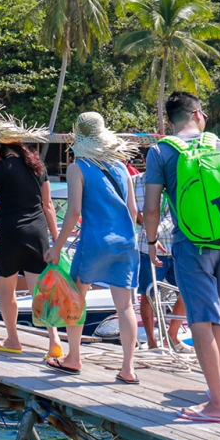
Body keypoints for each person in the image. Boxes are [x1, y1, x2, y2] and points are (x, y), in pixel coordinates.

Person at [143, 91, 220, 423]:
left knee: (200, 318)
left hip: (191, 242)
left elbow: (153, 206)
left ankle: (218, 404)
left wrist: (151, 240)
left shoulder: (161, 151)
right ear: (199, 114)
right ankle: (216, 393)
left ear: (169, 122)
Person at [49, 112, 140, 382]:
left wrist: (57, 246)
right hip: (126, 241)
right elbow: (133, 211)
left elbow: (74, 210)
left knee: (77, 297)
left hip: (95, 241)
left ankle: (73, 357)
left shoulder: (79, 167)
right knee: (125, 307)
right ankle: (128, 369)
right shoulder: (122, 167)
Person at [0, 113, 61, 357]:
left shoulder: (2, 168)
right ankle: (54, 341)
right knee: (39, 290)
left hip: (10, 232)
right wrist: (56, 240)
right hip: (37, 231)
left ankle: (13, 339)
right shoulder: (37, 165)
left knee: (7, 289)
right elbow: (48, 205)